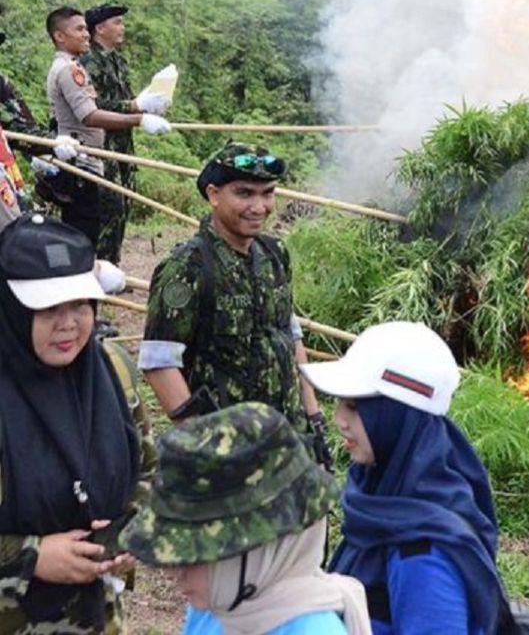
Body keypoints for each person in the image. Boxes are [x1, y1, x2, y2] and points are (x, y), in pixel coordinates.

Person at [300, 321, 508, 635]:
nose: (339, 420)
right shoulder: (385, 501)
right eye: (341, 403)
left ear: (398, 418)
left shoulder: (423, 556)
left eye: (355, 407)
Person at [138, 142, 332, 466]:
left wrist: (313, 416)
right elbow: (159, 361)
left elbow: (289, 334)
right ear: (214, 195)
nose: (259, 206)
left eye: (268, 193)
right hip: (228, 445)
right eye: (244, 193)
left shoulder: (274, 254)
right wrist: (206, 445)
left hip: (286, 436)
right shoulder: (188, 267)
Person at [0, 213, 148, 633]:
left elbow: (149, 469)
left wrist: (128, 530)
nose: (68, 324)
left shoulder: (112, 373)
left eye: (80, 304)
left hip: (95, 616)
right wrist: (31, 554)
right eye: (47, 308)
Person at [120, 401, 370, 634]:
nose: (173, 572)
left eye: (193, 555)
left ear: (257, 551)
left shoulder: (311, 629)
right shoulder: (217, 608)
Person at [44, 6, 171, 247]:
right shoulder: (71, 68)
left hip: (91, 157)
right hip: (82, 160)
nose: (86, 34)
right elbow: (89, 115)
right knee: (88, 234)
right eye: (80, 29)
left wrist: (145, 105)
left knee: (100, 224)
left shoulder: (76, 65)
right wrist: (138, 117)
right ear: (60, 36)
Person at [80, 4, 170, 265]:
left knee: (126, 202)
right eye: (117, 22)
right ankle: (101, 265)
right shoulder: (88, 62)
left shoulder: (117, 60)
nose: (123, 27)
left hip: (123, 141)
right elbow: (91, 107)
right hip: (101, 142)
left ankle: (113, 263)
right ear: (100, 28)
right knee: (110, 205)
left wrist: (146, 102)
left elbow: (125, 99)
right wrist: (135, 107)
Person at [0, 29, 79, 231]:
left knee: (17, 231)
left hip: (3, 171)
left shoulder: (1, 83)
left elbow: (20, 124)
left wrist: (47, 146)